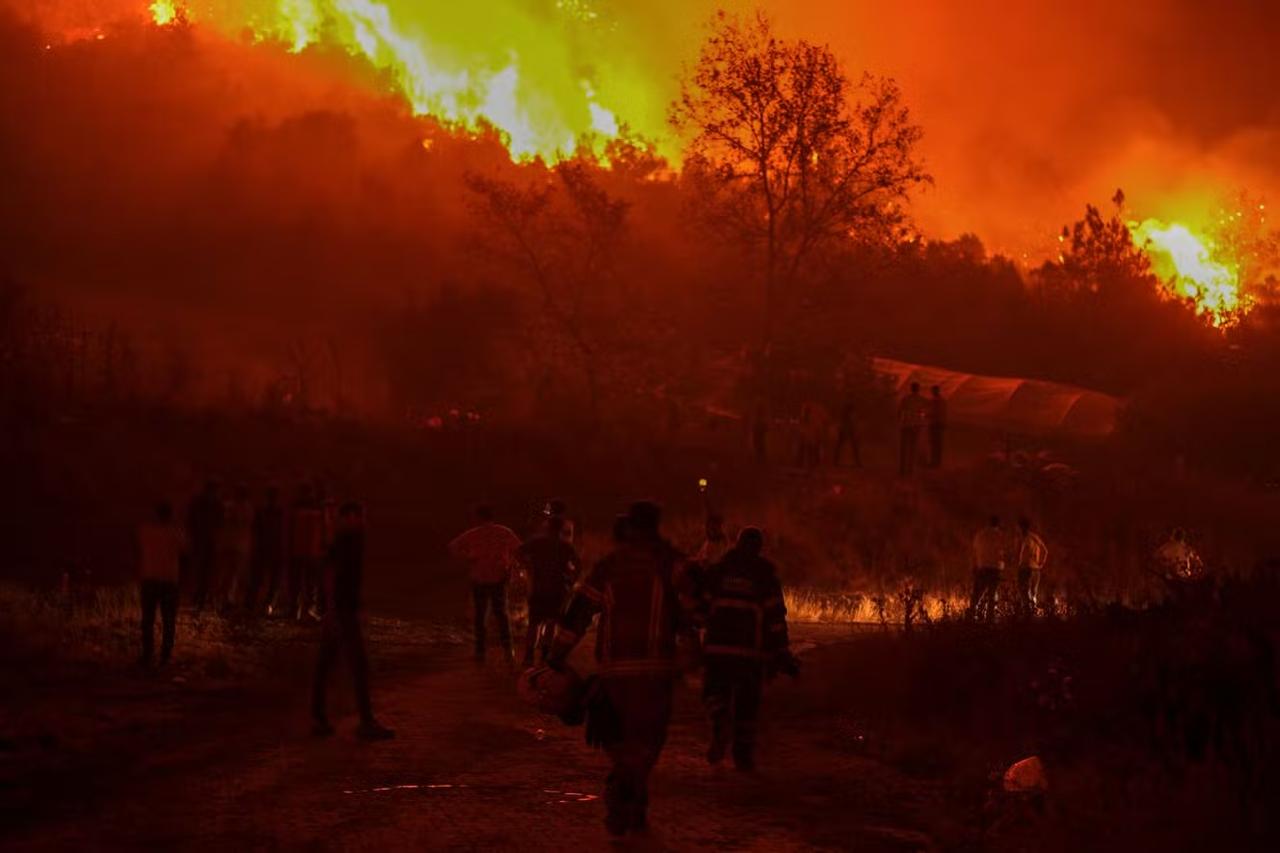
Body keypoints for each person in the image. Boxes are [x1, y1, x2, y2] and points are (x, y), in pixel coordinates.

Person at [546, 501, 692, 837]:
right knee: (648, 741)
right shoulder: (672, 564)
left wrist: (556, 654)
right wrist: (690, 655)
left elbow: (578, 613)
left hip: (614, 674)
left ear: (628, 528)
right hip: (656, 675)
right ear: (656, 527)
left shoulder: (609, 567)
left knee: (619, 739)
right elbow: (692, 613)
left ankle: (625, 797)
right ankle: (630, 799)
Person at [699, 527, 796, 771]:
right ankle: (742, 758)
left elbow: (701, 607)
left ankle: (720, 718)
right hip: (750, 653)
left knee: (714, 692)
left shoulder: (718, 571)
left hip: (717, 649)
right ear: (759, 549)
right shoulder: (765, 576)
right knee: (747, 706)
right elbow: (775, 619)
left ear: (737, 545)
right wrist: (781, 652)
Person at [311, 502, 394, 741]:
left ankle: (319, 718)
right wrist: (332, 610)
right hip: (342, 611)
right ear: (350, 517)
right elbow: (331, 576)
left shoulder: (347, 540)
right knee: (357, 665)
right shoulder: (348, 541)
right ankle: (366, 722)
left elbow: (334, 574)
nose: (364, 521)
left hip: (341, 609)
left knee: (327, 663)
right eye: (360, 516)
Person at [449, 505, 522, 664]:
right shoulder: (504, 532)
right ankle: (508, 651)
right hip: (499, 578)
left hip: (479, 578)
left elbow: (453, 546)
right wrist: (511, 564)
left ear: (478, 517)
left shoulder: (473, 534)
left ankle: (480, 652)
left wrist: (467, 558)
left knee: (481, 617)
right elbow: (519, 549)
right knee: (502, 615)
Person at [515, 515, 580, 667]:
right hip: (558, 589)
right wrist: (571, 581)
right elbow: (578, 564)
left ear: (547, 527)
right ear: (561, 529)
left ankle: (529, 655)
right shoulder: (565, 545)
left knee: (533, 623)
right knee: (551, 623)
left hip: (538, 587)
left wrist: (527, 567)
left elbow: (518, 552)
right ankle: (545, 655)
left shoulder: (537, 542)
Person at [138, 501, 185, 667]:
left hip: (149, 578)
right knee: (169, 620)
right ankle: (165, 656)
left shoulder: (146, 531)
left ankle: (147, 654)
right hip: (169, 580)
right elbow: (186, 548)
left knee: (147, 620)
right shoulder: (176, 533)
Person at [287, 483, 326, 621]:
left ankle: (298, 609)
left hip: (305, 550)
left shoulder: (297, 507)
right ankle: (302, 609)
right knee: (306, 583)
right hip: (308, 551)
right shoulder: (317, 508)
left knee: (304, 583)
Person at [186, 480, 223, 612]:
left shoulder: (198, 502)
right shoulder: (216, 503)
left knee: (201, 570)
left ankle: (199, 597)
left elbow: (190, 519)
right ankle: (203, 597)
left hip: (201, 540)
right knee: (207, 571)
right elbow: (220, 522)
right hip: (208, 541)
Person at [250, 485, 287, 614]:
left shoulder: (276, 513)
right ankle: (262, 603)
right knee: (265, 579)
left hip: (271, 549)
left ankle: (263, 604)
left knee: (268, 579)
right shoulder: (271, 512)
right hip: (267, 549)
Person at [217, 482, 253, 610]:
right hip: (233, 545)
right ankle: (226, 598)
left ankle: (229, 598)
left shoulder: (244, 508)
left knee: (233, 574)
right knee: (229, 574)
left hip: (237, 545)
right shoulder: (232, 507)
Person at [970, 515, 1006, 622]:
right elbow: (1004, 553)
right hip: (995, 568)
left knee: (977, 593)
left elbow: (974, 552)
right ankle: (990, 619)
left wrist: (975, 566)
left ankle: (971, 616)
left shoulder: (980, 534)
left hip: (982, 567)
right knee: (992, 594)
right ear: (998, 524)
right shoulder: (1000, 535)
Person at [1015, 517, 1048, 617]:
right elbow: (1045, 551)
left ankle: (1028, 613)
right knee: (1033, 592)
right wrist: (1041, 563)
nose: (1018, 530)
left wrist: (1040, 563)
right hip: (1036, 569)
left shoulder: (1027, 538)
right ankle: (1032, 613)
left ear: (1022, 528)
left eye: (1019, 528)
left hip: (1026, 568)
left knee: (1024, 590)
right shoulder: (1035, 537)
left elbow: (1045, 551)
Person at [898, 383, 929, 477]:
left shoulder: (906, 399)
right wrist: (922, 420)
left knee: (904, 448)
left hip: (906, 425)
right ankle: (910, 470)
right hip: (916, 426)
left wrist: (900, 422)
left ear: (911, 389)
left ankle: (902, 469)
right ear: (918, 389)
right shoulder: (922, 400)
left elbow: (900, 412)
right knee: (912, 447)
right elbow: (927, 410)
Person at [833, 398, 862, 468]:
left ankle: (835, 462)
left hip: (846, 430)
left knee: (841, 446)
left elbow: (849, 423)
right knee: (851, 447)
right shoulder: (847, 416)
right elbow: (850, 423)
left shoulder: (845, 415)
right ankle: (857, 462)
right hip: (846, 430)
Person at [927, 385, 947, 469]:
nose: (932, 393)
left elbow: (933, 413)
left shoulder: (935, 401)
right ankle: (937, 462)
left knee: (935, 443)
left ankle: (934, 462)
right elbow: (944, 413)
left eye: (933, 391)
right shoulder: (942, 401)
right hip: (939, 424)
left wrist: (927, 416)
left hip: (935, 424)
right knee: (938, 444)